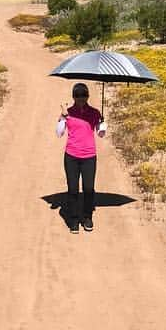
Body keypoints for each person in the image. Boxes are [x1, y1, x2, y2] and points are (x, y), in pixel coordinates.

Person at [57, 82, 106, 233]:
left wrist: (102, 123)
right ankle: (73, 220)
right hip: (71, 156)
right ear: (73, 97)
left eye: (83, 95)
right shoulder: (68, 112)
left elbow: (101, 134)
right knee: (72, 189)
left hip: (89, 156)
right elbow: (59, 133)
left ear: (87, 96)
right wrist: (62, 118)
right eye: (78, 96)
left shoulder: (95, 112)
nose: (81, 99)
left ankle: (87, 217)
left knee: (88, 188)